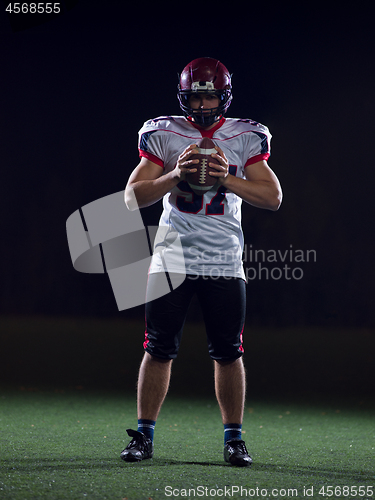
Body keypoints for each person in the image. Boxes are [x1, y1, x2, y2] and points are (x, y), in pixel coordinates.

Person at [121, 57, 282, 466]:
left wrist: (228, 178)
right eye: (196, 95)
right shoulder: (164, 132)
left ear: (223, 95)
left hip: (224, 260)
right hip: (171, 257)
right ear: (184, 96)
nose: (204, 104)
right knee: (157, 349)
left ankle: (234, 439)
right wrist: (175, 175)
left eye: (210, 95)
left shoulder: (245, 135)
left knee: (229, 352)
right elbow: (131, 197)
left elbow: (273, 197)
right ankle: (144, 435)